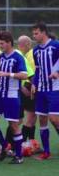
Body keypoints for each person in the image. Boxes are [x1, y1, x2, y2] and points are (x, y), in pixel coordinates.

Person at [0, 31, 27, 164]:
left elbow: (24, 75)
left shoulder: (17, 56)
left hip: (11, 95)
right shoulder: (1, 56)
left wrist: (8, 74)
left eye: (2, 43)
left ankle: (19, 156)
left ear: (9, 42)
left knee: (14, 125)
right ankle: (5, 146)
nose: (0, 45)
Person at [31, 22, 59, 160]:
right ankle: (46, 152)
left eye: (36, 33)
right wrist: (34, 84)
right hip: (41, 89)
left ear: (43, 32)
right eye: (33, 33)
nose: (34, 36)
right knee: (42, 119)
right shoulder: (35, 50)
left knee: (54, 119)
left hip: (55, 88)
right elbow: (37, 69)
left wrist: (57, 72)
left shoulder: (55, 45)